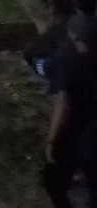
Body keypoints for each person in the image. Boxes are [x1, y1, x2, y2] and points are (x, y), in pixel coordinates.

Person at [43, 14, 97, 208]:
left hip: (79, 132)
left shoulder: (69, 58)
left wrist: (51, 140)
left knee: (53, 181)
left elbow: (63, 102)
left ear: (73, 36)